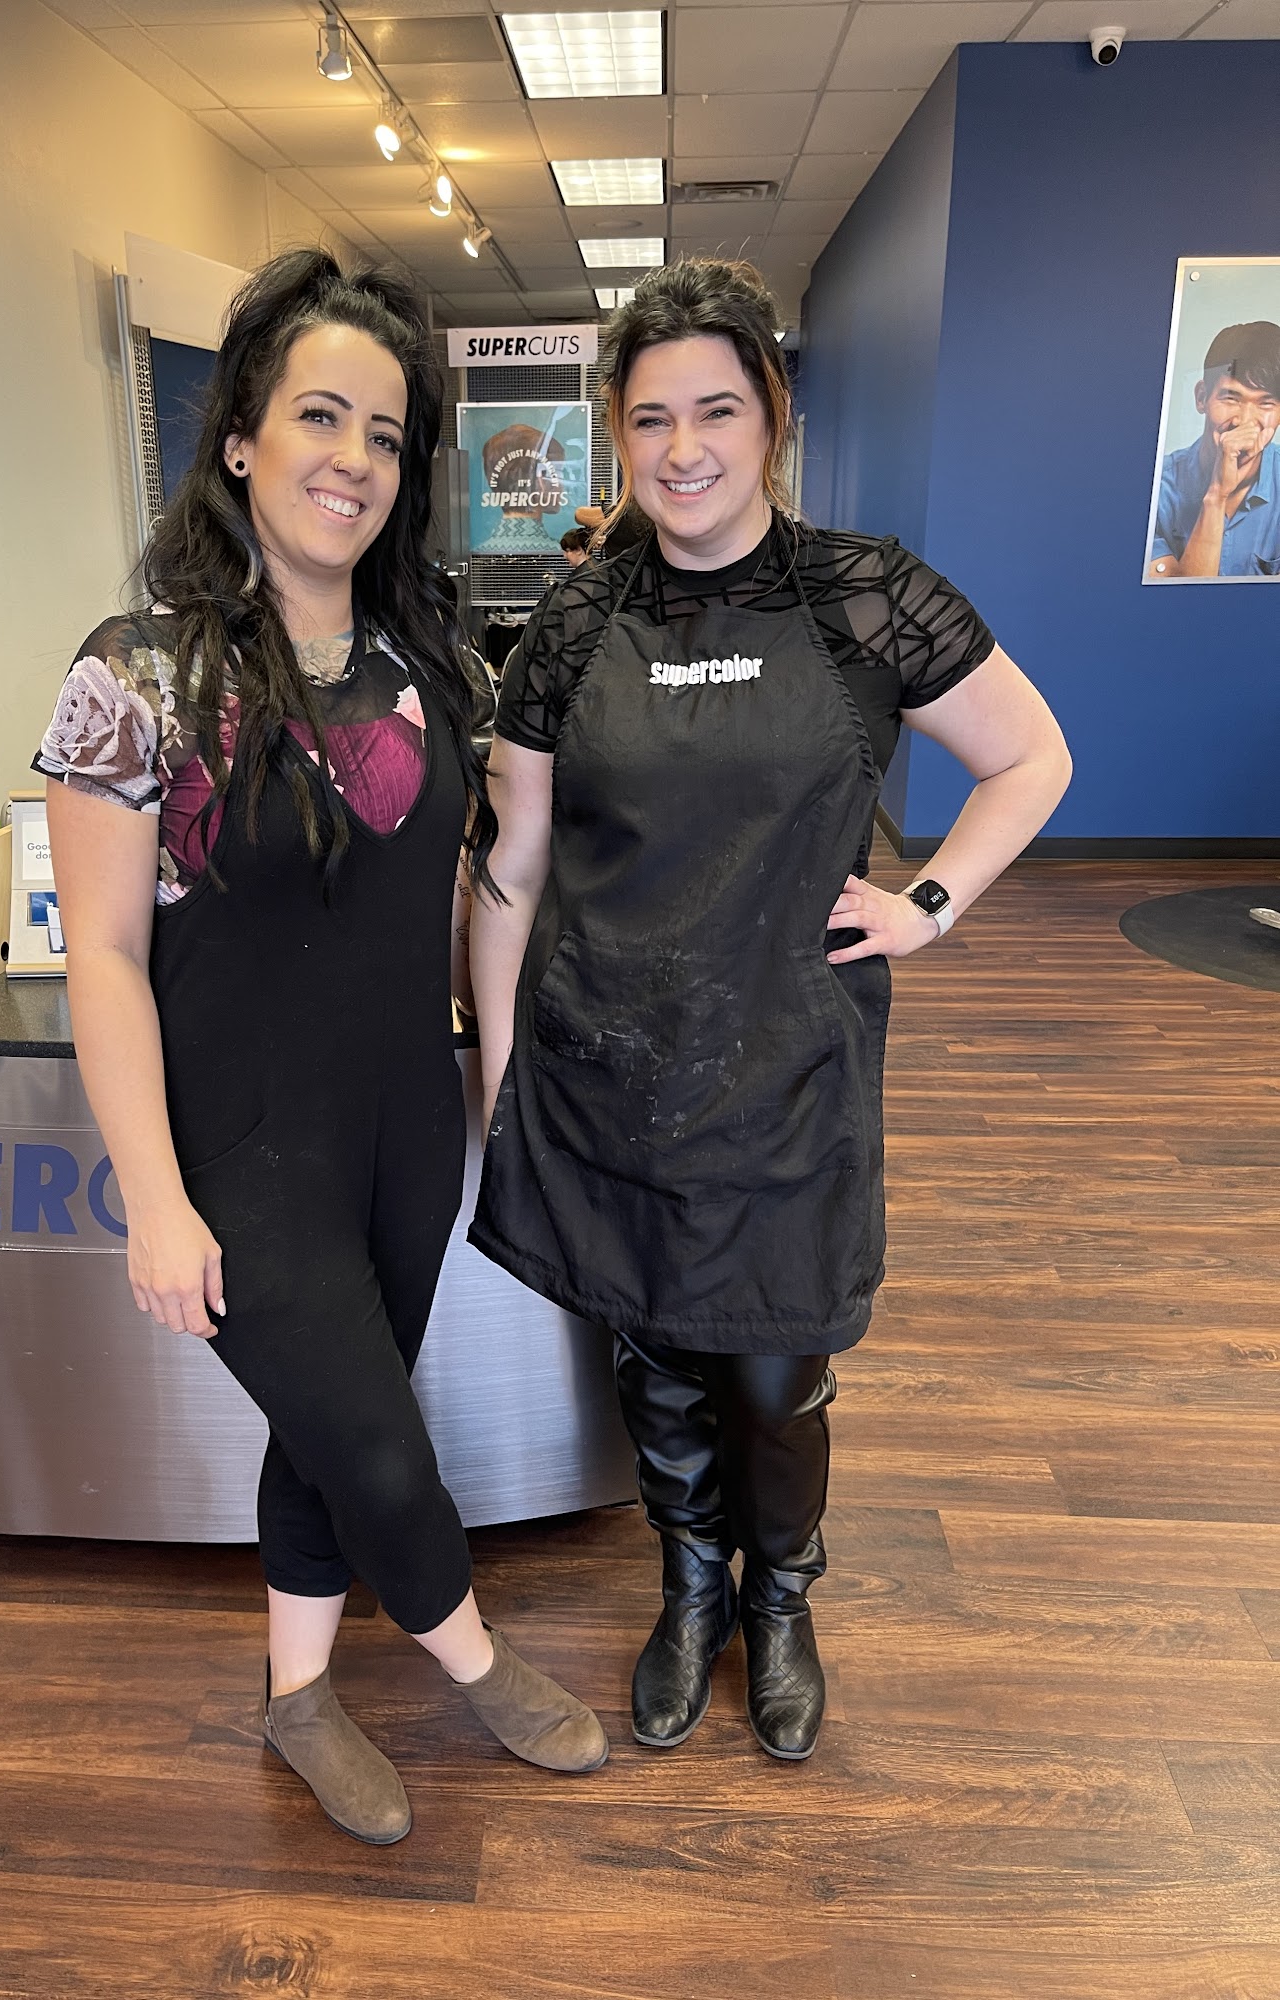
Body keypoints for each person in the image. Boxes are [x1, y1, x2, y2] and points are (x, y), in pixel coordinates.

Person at [469, 258, 1071, 1764]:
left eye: (717, 411)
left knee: (775, 1366)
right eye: (651, 417)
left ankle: (780, 1593)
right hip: (609, 1054)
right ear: (617, 430)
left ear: (772, 417)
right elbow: (511, 863)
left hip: (791, 1057)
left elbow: (1033, 757)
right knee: (653, 1353)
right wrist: (498, 1071)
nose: (683, 449)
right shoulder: (574, 620)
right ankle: (690, 1588)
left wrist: (928, 904)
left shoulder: (866, 595)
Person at [38, 249, 605, 1846]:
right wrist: (153, 1198)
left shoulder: (435, 664)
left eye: (386, 433)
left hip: (405, 1128)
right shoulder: (135, 675)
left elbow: (473, 888)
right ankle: (475, 1658)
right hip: (237, 1145)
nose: (354, 458)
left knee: (326, 1427)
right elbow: (103, 957)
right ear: (239, 436)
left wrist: (495, 1074)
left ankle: (297, 1693)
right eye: (319, 416)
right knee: (379, 1446)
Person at [1149, 321, 1280, 580]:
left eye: (1266, 404)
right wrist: (1217, 494)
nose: (1243, 421)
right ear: (1201, 398)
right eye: (1231, 398)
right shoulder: (1155, 487)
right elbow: (1180, 598)